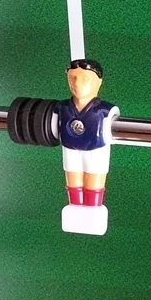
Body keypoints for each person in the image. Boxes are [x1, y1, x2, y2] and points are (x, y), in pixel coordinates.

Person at [57, 58, 119, 235]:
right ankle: (75, 214)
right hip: (70, 150)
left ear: (99, 81)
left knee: (93, 185)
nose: (77, 84)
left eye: (85, 79)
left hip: (96, 152)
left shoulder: (106, 111)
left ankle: (92, 215)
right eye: (73, 78)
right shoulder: (62, 108)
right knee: (73, 185)